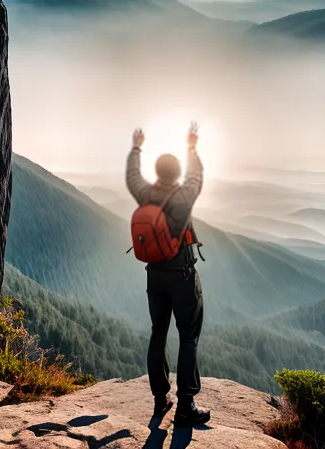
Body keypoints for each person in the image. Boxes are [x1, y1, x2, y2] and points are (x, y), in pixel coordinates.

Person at [126, 123, 210, 427]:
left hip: (154, 276)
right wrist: (191, 146)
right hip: (182, 276)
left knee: (158, 332)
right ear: (176, 175)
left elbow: (133, 177)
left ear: (157, 172)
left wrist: (136, 148)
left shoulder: (145, 193)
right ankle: (186, 405)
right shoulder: (184, 194)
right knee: (188, 337)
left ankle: (160, 399)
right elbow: (197, 176)